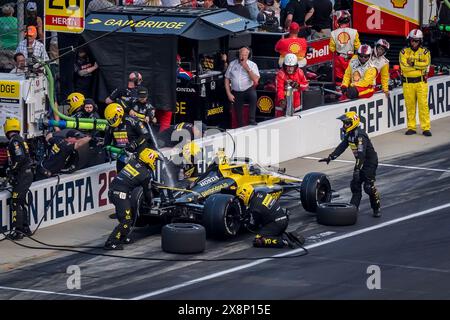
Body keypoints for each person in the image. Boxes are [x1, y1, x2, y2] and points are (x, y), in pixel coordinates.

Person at [319, 111, 381, 217]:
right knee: (355, 185)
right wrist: (331, 157)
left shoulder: (360, 135)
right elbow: (342, 146)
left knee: (368, 187)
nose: (344, 125)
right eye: (344, 123)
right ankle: (353, 209)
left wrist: (357, 169)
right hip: (360, 162)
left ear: (353, 122)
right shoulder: (350, 134)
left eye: (346, 123)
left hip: (369, 163)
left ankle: (376, 207)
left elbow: (361, 154)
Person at [105, 148, 159, 250]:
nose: (155, 163)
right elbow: (147, 192)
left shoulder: (132, 162)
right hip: (120, 194)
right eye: (154, 160)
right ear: (149, 159)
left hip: (113, 191)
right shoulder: (145, 174)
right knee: (126, 219)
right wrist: (150, 203)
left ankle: (123, 236)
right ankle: (111, 242)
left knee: (128, 216)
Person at [4, 118, 33, 240]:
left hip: (23, 174)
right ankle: (25, 228)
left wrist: (12, 170)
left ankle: (18, 231)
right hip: (26, 174)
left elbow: (19, 158)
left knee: (15, 201)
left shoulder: (14, 141)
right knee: (21, 201)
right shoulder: (19, 139)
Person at [399, 29, 432, 137]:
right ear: (409, 40)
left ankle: (426, 128)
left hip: (421, 83)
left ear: (420, 41)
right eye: (412, 40)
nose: (414, 43)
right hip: (407, 83)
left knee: (423, 106)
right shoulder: (403, 52)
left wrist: (413, 63)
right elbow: (404, 68)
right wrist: (419, 66)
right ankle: (411, 127)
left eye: (416, 41)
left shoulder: (425, 52)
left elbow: (426, 64)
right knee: (410, 106)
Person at [104, 103, 152, 172]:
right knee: (120, 178)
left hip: (136, 155)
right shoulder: (110, 126)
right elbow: (106, 143)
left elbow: (146, 134)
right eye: (109, 121)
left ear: (118, 115)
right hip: (121, 157)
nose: (111, 123)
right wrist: (110, 151)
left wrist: (135, 144)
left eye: (112, 120)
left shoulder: (132, 121)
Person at [224, 46, 260, 127]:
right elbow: (226, 79)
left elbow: (256, 80)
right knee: (238, 115)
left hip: (248, 89)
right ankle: (240, 125)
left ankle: (252, 120)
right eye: (241, 54)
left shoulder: (252, 65)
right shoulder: (232, 64)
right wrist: (228, 93)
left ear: (248, 56)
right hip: (236, 91)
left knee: (253, 96)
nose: (242, 57)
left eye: (245, 55)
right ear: (238, 54)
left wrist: (247, 69)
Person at [329, 10, 360, 85]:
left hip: (339, 58)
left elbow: (332, 49)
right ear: (348, 22)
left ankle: (339, 92)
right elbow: (357, 46)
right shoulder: (354, 32)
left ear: (338, 22)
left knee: (339, 77)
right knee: (352, 77)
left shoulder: (333, 33)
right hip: (351, 58)